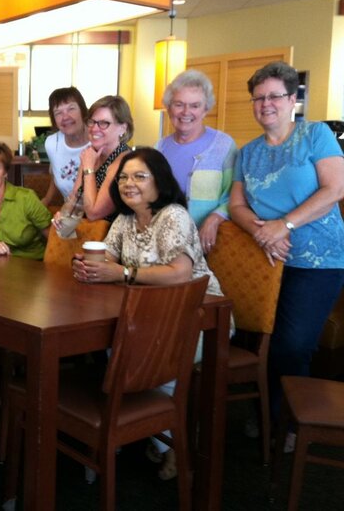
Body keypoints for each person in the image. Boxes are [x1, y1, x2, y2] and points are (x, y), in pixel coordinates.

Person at [71, 147, 229, 481]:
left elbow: (179, 273)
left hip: (199, 313)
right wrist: (87, 266)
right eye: (124, 177)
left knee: (147, 351)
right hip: (144, 312)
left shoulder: (173, 215)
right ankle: (131, 427)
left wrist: (122, 274)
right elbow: (109, 258)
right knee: (123, 344)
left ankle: (166, 442)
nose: (129, 183)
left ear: (160, 181)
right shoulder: (125, 219)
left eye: (140, 176)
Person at [229, 61, 344, 449]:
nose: (266, 104)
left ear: (293, 99)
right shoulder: (247, 152)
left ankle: (289, 423)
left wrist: (285, 225)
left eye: (275, 96)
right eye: (258, 98)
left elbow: (335, 189)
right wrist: (263, 232)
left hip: (317, 261)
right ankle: (267, 413)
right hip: (267, 259)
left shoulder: (316, 135)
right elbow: (237, 206)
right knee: (261, 339)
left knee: (293, 344)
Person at [157, 69, 238, 253]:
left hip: (209, 244)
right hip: (164, 244)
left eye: (195, 105)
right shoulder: (160, 147)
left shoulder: (224, 145)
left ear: (205, 110)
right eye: (179, 104)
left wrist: (214, 218)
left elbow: (233, 194)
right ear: (169, 107)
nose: (186, 112)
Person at [52, 95, 133, 229]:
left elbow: (94, 213)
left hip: (111, 241)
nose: (94, 128)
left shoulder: (124, 161)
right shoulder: (91, 153)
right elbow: (74, 199)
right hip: (86, 235)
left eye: (103, 123)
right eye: (92, 122)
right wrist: (63, 215)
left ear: (123, 128)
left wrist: (88, 168)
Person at [41, 87, 90, 206]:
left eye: (71, 109)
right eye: (58, 113)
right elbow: (56, 175)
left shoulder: (98, 140)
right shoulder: (52, 144)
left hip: (102, 216)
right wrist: (46, 200)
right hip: (71, 214)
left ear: (82, 110)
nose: (65, 117)